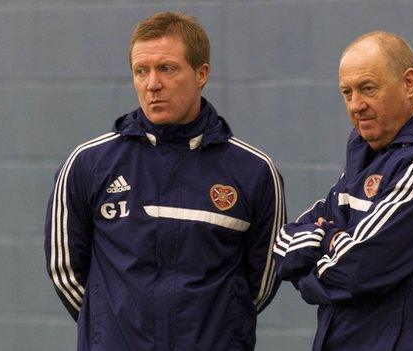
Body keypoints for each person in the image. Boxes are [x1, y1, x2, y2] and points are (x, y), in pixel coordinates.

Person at [44, 12, 285, 351]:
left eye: (167, 69)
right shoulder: (88, 164)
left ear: (202, 74)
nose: (152, 84)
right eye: (141, 71)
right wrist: (110, 330)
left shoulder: (255, 172)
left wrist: (220, 333)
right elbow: (65, 270)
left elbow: (261, 282)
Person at [274, 31, 413, 350]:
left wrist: (327, 240)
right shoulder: (366, 154)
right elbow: (284, 243)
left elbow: (352, 271)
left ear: (408, 83)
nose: (355, 105)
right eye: (346, 92)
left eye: (368, 88)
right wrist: (333, 241)